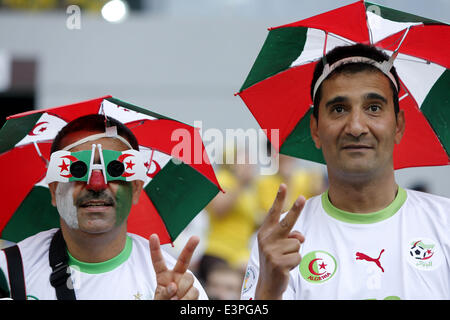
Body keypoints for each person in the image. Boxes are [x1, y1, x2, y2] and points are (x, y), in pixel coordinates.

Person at [241, 43, 450, 300]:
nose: (356, 127)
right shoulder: (280, 242)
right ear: (315, 129)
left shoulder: (445, 224)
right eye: (339, 109)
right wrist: (268, 292)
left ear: (398, 125)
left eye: (373, 107)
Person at [0, 114, 207, 300]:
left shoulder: (177, 287)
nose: (96, 184)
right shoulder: (8, 271)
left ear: (135, 189)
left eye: (115, 169)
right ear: (53, 190)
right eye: (77, 169)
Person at [197, 147, 259, 284]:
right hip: (219, 251)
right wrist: (240, 181)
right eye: (245, 161)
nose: (250, 165)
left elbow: (252, 222)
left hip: (240, 254)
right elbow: (219, 209)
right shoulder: (222, 179)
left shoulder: (250, 191)